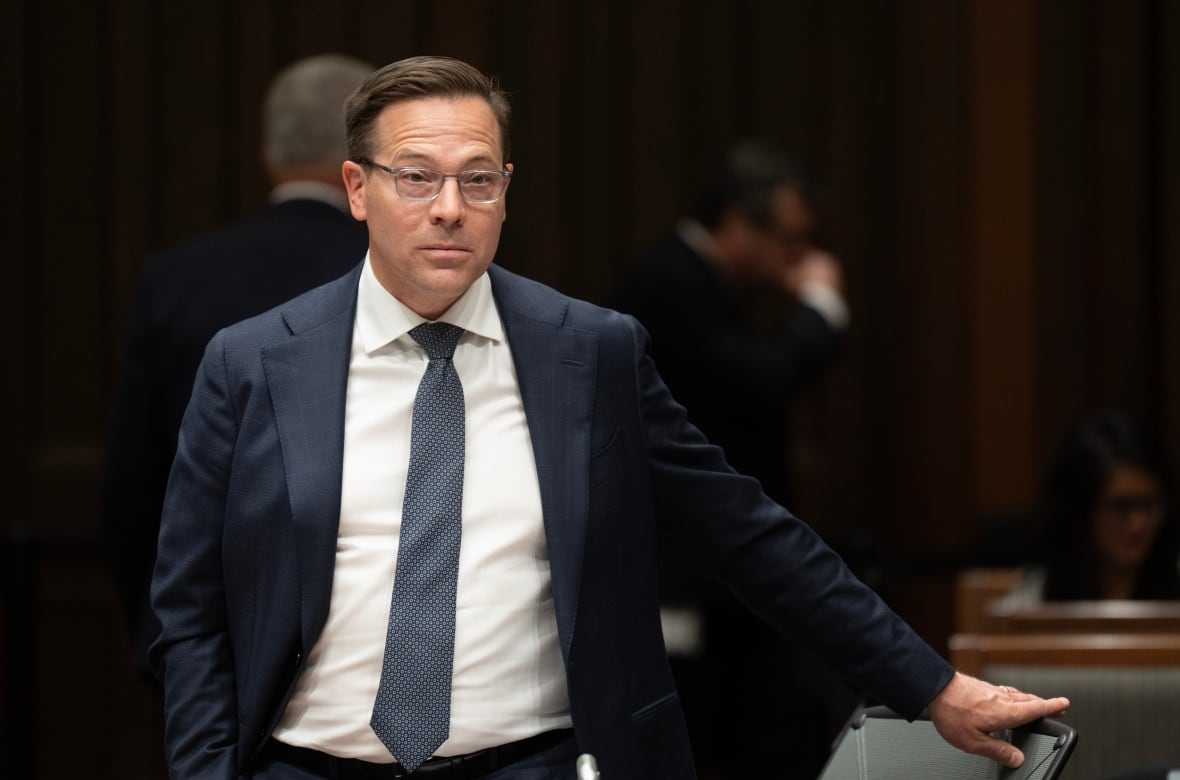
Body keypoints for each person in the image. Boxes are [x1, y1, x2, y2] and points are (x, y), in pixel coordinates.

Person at [149, 55, 1068, 780]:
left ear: (506, 190)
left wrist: (933, 686)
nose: (448, 211)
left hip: (540, 765)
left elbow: (749, 538)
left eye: (478, 181)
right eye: (416, 178)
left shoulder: (587, 353)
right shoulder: (254, 362)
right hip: (307, 768)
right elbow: (189, 611)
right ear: (358, 189)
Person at [100, 53, 374, 677]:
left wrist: (155, 625)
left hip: (200, 634)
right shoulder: (399, 280)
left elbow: (130, 487)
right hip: (357, 641)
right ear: (362, 168)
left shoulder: (176, 281)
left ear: (268, 153)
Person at [612, 142, 851, 778]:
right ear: (740, 225)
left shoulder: (702, 281)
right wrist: (822, 310)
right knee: (712, 737)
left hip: (707, 565)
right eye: (791, 240)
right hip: (683, 570)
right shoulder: (672, 283)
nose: (799, 258)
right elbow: (759, 382)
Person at [1005, 411, 1180, 605]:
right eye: (1120, 506)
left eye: (1149, 504)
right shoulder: (1035, 597)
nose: (1137, 524)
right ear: (1082, 509)